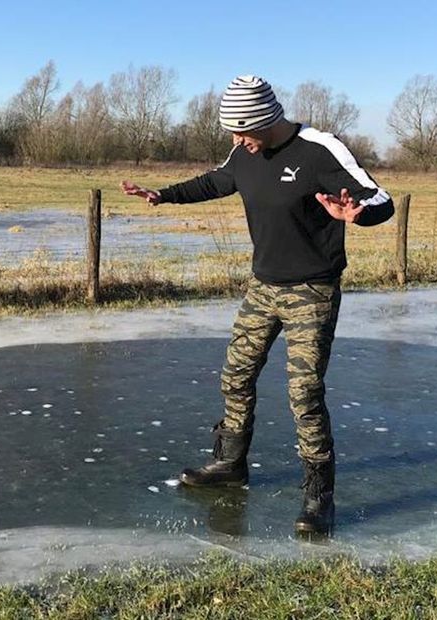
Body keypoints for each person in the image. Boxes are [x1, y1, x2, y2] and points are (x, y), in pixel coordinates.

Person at [120, 75, 395, 534]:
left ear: (267, 120)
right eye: (232, 131)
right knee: (235, 375)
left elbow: (379, 197)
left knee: (304, 394)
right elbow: (218, 180)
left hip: (312, 291)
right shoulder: (243, 152)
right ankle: (230, 463)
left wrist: (359, 213)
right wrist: (163, 194)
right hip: (263, 287)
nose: (236, 140)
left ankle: (318, 495)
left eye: (242, 131)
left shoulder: (320, 149)